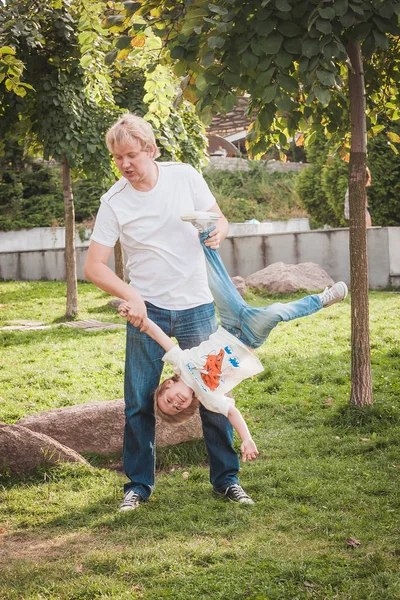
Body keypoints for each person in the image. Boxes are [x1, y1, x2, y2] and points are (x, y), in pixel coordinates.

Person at [84, 114, 254, 510]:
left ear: (150, 150)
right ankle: (138, 486)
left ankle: (227, 480)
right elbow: (94, 266)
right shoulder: (114, 202)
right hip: (149, 311)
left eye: (131, 155)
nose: (125, 164)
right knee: (140, 400)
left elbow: (221, 219)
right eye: (117, 157)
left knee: (212, 391)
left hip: (197, 304)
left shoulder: (185, 176)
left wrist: (220, 231)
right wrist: (131, 294)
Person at [118, 212, 348, 465]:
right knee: (276, 311)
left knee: (216, 281)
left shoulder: (180, 363)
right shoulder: (208, 397)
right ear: (187, 407)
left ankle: (205, 230)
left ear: (168, 385)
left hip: (228, 323)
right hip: (249, 335)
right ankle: (322, 300)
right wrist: (246, 439)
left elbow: (158, 335)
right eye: (177, 408)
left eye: (169, 399)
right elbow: (233, 413)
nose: (176, 402)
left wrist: (137, 315)